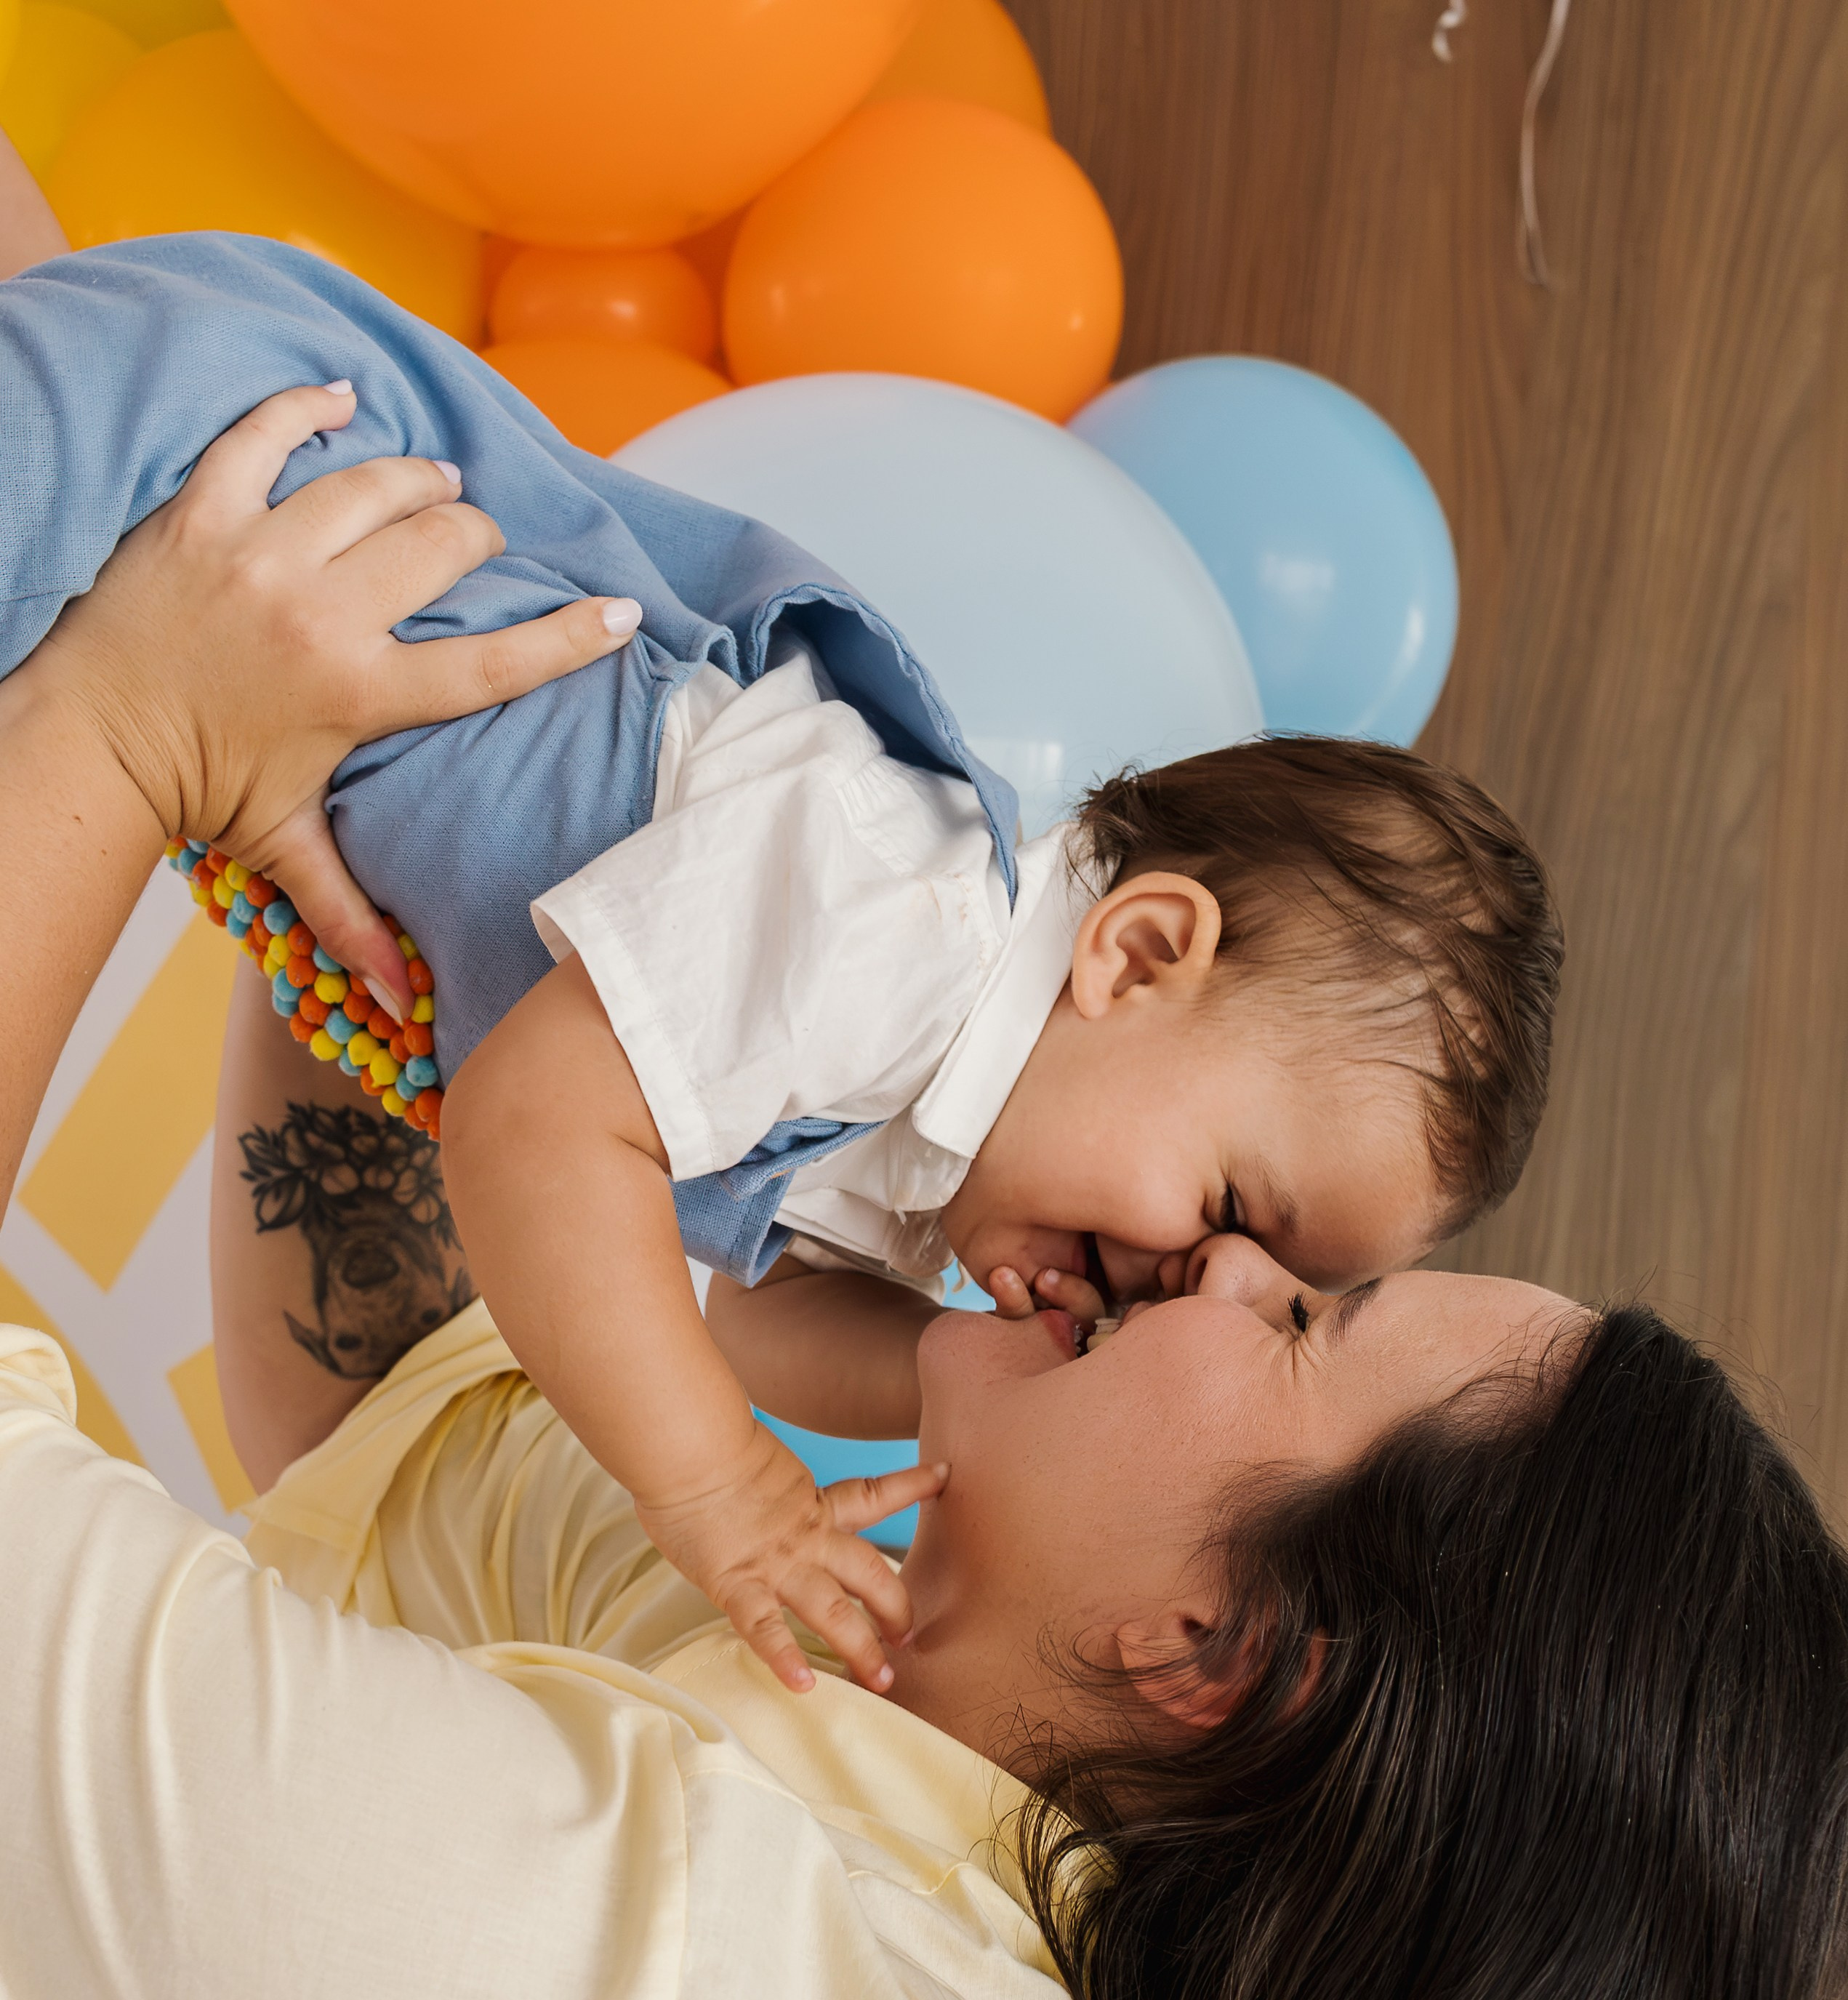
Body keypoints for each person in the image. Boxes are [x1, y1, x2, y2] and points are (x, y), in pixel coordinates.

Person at [7, 427, 1848, 2000]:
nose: (1192, 1266)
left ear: (1224, 1653)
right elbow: (388, 1407)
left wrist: (124, 721)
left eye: (1287, 1314)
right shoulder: (902, 1692)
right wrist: (462, 877)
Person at [0, 194, 1562, 1701]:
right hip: (223, 468)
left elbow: (749, 1311)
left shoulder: (914, 1133)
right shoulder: (897, 929)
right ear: (1140, 953)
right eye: (1233, 1213)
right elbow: (534, 1128)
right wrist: (717, 1488)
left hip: (221, 597)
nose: (1186, 1284)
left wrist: (962, 1358)